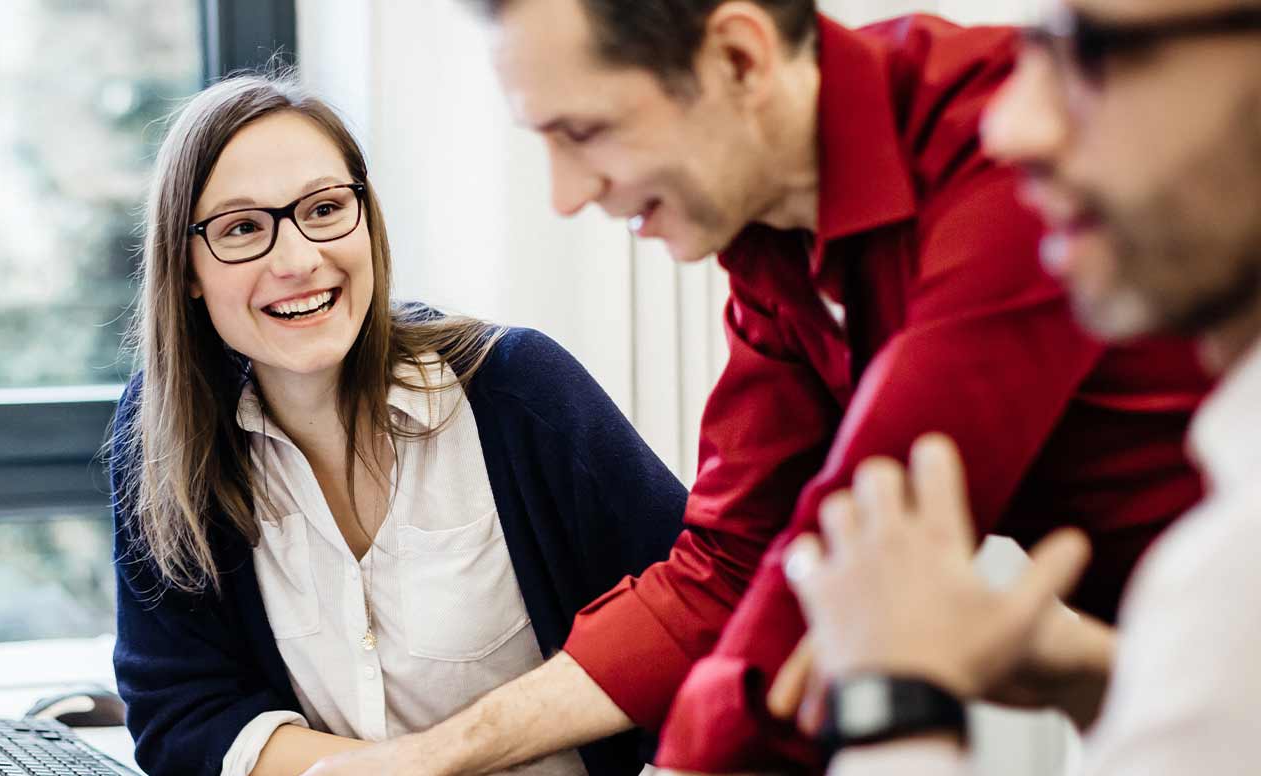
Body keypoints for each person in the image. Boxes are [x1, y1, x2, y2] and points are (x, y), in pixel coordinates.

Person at [303, 1, 1213, 773]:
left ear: (739, 58)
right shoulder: (776, 243)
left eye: (584, 133)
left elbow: (848, 546)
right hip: (1170, 664)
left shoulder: (992, 152)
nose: (566, 194)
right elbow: (728, 568)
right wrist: (427, 757)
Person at [106, 73, 690, 776]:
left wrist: (426, 761)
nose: (296, 260)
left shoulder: (517, 390)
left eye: (324, 209)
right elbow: (181, 714)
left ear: (367, 217)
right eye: (241, 229)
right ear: (188, 268)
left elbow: (696, 619)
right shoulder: (166, 433)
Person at [780, 0, 1261, 772]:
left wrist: (894, 705)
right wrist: (1103, 679)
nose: (1011, 128)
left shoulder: (1232, 574)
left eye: (1091, 49)